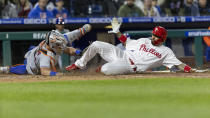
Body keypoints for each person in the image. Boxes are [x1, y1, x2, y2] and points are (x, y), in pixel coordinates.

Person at [66, 18, 200, 75]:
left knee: (105, 69)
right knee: (95, 44)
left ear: (162, 39)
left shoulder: (166, 51)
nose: (153, 37)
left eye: (156, 36)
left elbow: (179, 64)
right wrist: (118, 31)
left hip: (130, 66)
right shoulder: (145, 40)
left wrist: (191, 70)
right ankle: (79, 64)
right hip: (122, 55)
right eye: (153, 34)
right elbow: (125, 42)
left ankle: (102, 68)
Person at [0, 24, 92, 76]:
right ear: (53, 46)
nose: (61, 46)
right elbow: (44, 71)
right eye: (58, 45)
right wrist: (56, 74)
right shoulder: (45, 56)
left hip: (35, 51)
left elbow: (68, 48)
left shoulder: (56, 40)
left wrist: (78, 52)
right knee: (25, 70)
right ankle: (4, 69)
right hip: (32, 64)